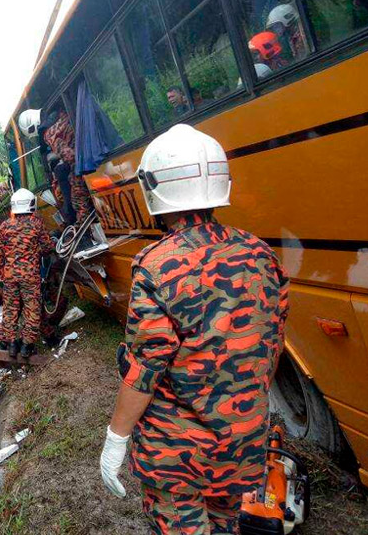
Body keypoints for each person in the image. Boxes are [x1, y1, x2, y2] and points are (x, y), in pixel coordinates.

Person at [99, 124, 289, 535]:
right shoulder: (260, 253)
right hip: (241, 443)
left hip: (176, 456)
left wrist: (116, 438)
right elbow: (272, 345)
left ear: (153, 191)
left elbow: (145, 369)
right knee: (225, 523)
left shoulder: (156, 264)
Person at [0, 189, 52, 359]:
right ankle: (26, 346)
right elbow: (48, 248)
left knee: (10, 309)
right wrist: (36, 251)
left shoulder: (5, 226)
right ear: (31, 204)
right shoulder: (36, 224)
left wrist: (1, 270)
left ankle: (11, 345)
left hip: (10, 277)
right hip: (30, 277)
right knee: (31, 308)